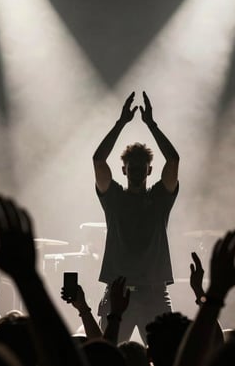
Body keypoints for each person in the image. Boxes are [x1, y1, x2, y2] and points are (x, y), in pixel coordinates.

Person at [93, 91, 180, 342]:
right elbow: (98, 160)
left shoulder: (160, 198)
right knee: (107, 358)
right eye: (133, 168)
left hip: (154, 293)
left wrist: (152, 124)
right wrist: (121, 123)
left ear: (150, 170)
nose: (137, 172)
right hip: (119, 291)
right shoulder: (114, 197)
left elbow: (173, 160)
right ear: (124, 169)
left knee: (168, 356)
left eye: (142, 168)